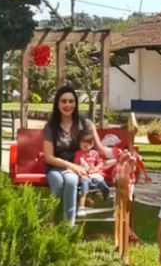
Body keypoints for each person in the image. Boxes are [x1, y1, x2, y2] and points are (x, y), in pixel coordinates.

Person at [43, 86, 112, 226]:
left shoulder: (85, 124)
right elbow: (48, 157)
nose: (68, 105)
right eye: (63, 101)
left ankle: (69, 226)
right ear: (57, 104)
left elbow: (100, 149)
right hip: (56, 166)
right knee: (57, 183)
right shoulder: (50, 127)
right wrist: (70, 165)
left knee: (71, 180)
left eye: (71, 101)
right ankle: (49, 220)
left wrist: (120, 152)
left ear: (76, 103)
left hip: (78, 169)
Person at [74, 128, 111, 215]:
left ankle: (105, 191)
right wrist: (80, 172)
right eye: (84, 144)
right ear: (79, 144)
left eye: (89, 144)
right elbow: (76, 165)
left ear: (92, 144)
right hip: (84, 175)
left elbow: (101, 162)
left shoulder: (94, 153)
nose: (87, 146)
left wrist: (96, 168)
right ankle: (82, 207)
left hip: (94, 174)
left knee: (100, 180)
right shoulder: (78, 154)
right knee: (84, 189)